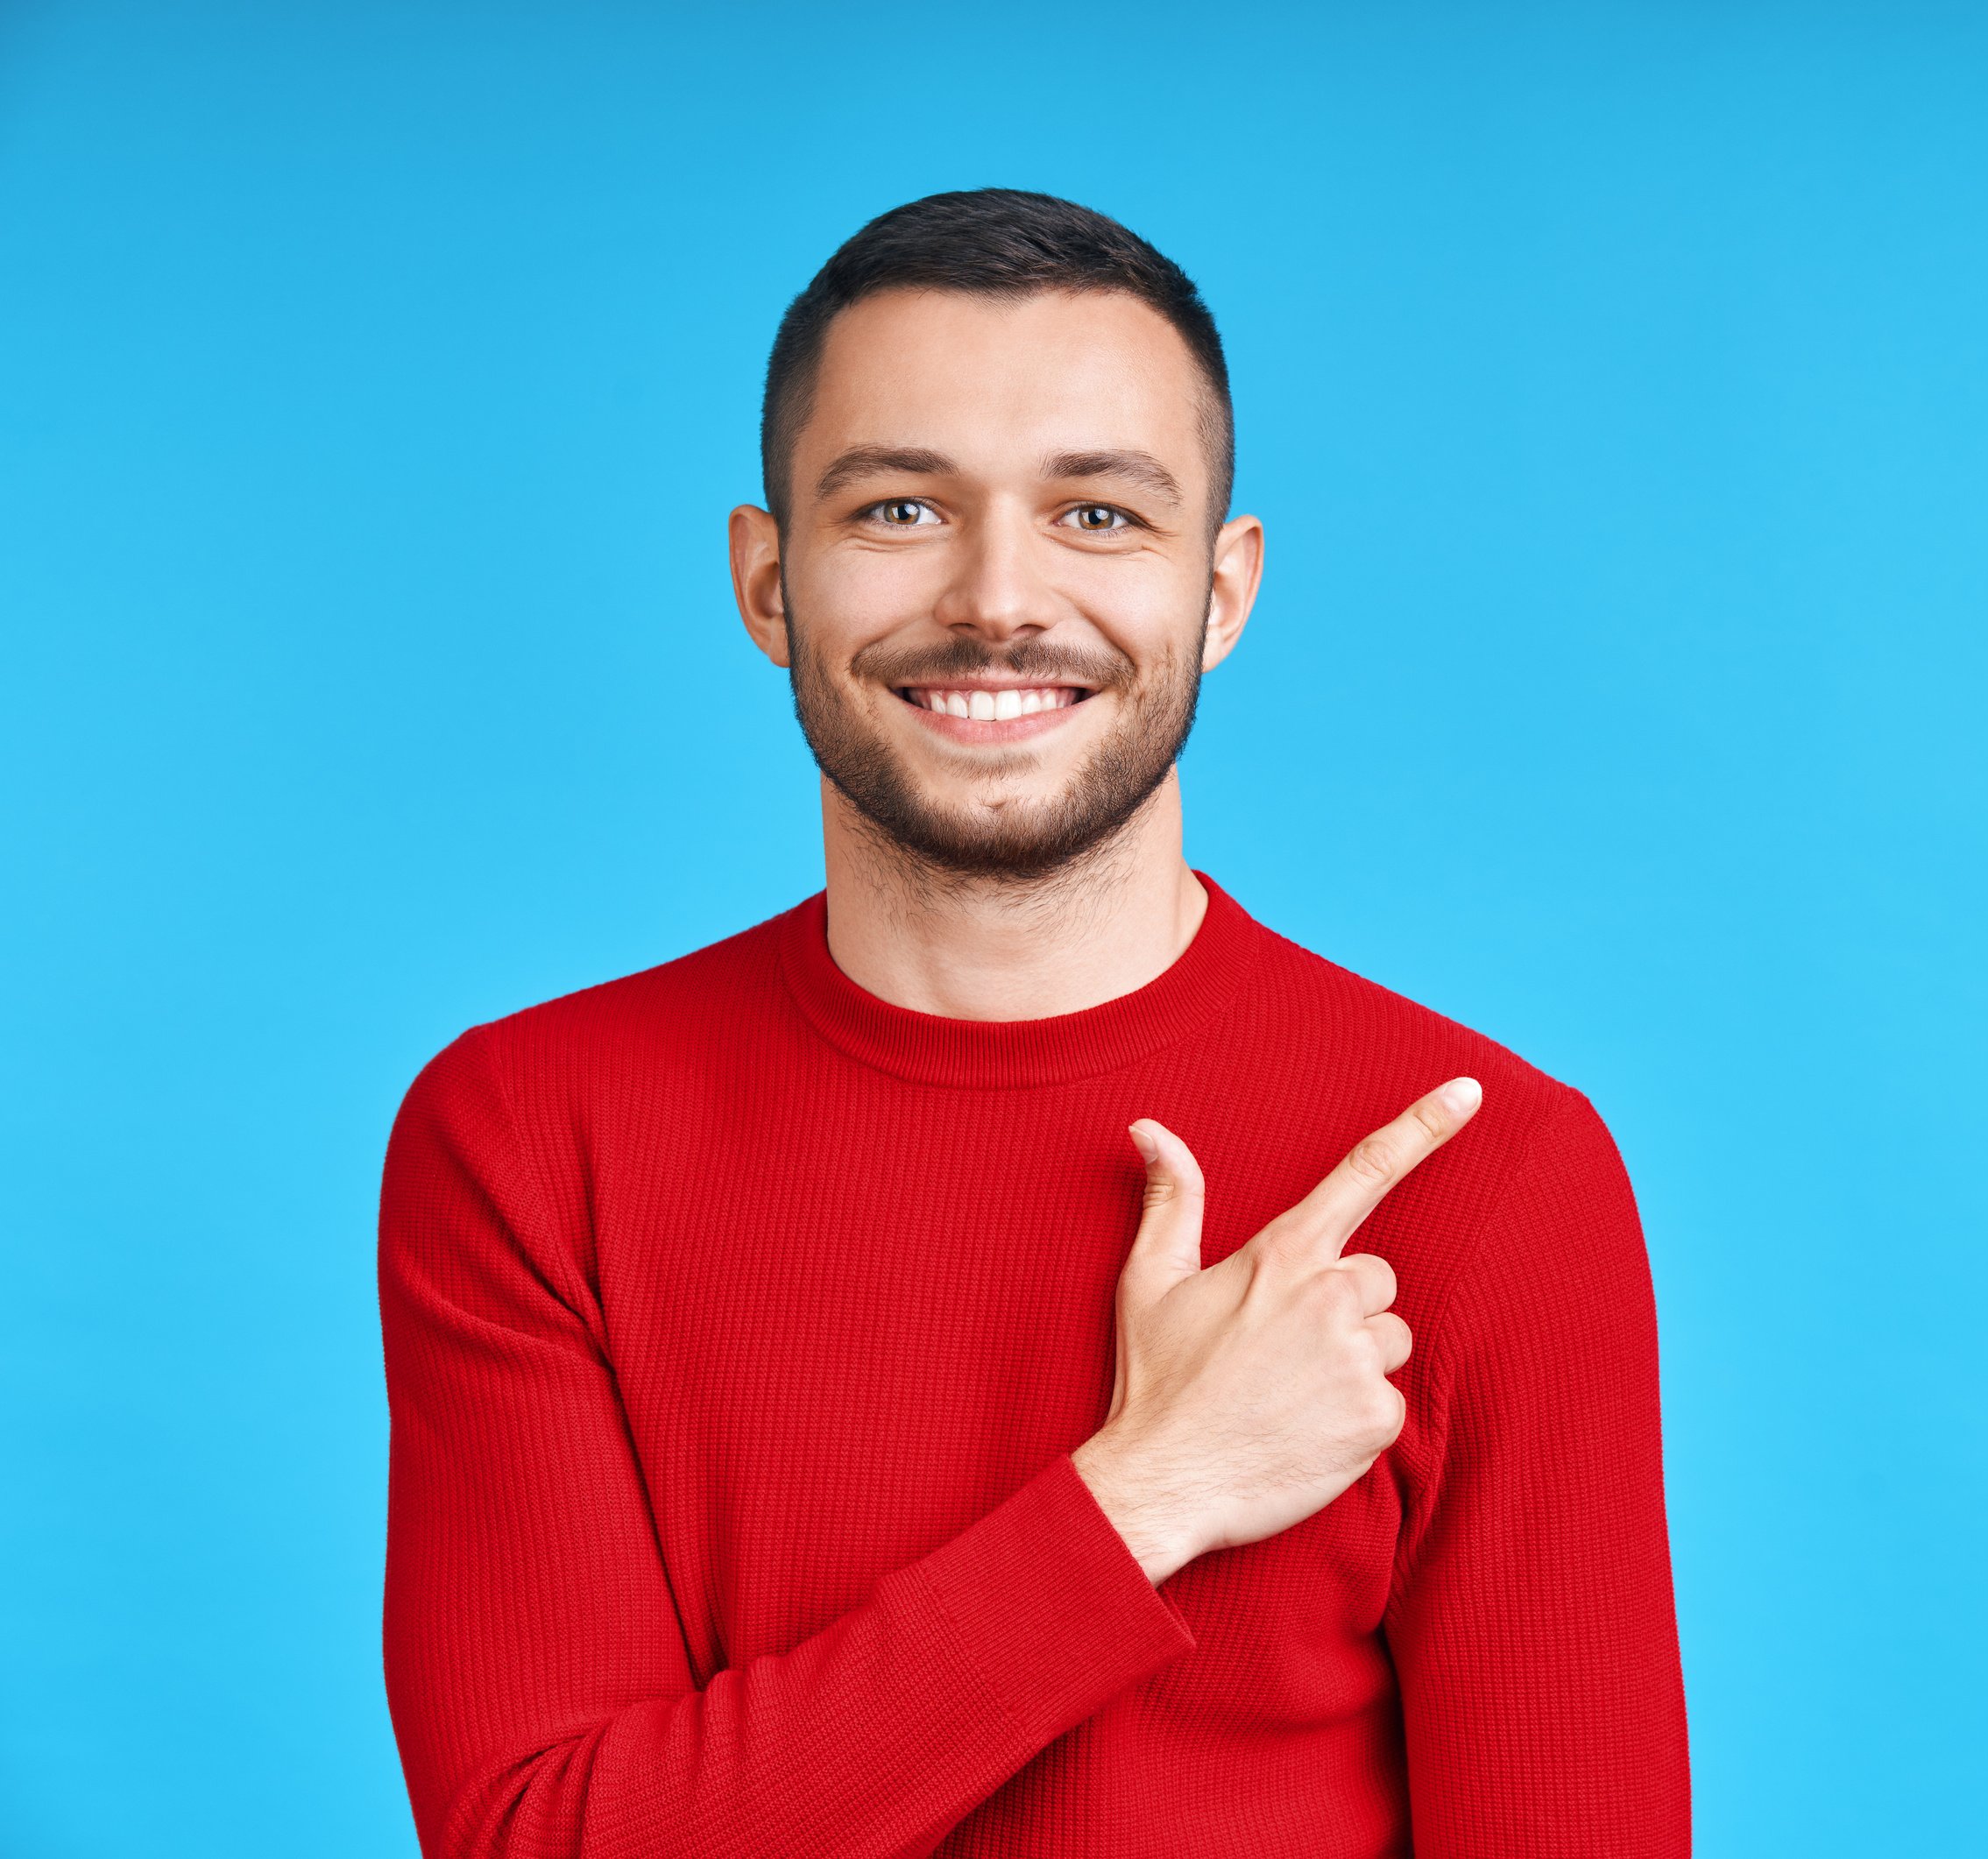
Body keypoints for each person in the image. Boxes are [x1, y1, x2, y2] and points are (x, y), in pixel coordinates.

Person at [377, 188, 1685, 1859]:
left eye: (1098, 516)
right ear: (769, 582)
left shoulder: (1487, 1168)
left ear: (1221, 592)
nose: (999, 600)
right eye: (903, 505)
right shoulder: (527, 1133)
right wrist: (1150, 1492)